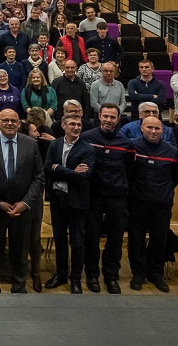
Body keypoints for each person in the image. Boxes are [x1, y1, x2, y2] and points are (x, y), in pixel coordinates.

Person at [0, 108, 45, 293]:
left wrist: (25, 203)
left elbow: (39, 178)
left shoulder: (31, 144)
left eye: (13, 120)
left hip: (22, 210)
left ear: (19, 123)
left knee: (20, 254)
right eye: (5, 120)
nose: (9, 123)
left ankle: (19, 287)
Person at [81, 104, 134, 294]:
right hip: (93, 196)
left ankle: (111, 276)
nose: (109, 120)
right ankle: (92, 275)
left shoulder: (126, 143)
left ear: (118, 119)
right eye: (106, 116)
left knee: (115, 238)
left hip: (117, 197)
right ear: (99, 116)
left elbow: (129, 170)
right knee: (92, 237)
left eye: (113, 117)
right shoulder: (87, 138)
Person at [125, 116, 178, 293]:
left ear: (162, 130)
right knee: (136, 240)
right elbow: (127, 172)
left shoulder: (171, 151)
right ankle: (138, 274)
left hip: (162, 204)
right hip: (137, 202)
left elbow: (176, 177)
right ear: (142, 128)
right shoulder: (132, 147)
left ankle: (156, 274)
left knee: (160, 240)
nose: (153, 131)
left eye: (157, 128)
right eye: (149, 127)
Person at [44, 114, 95, 294]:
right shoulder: (55, 144)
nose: (76, 127)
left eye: (79, 124)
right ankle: (61, 274)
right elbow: (48, 168)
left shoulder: (87, 149)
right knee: (59, 240)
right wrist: (70, 171)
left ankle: (75, 279)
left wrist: (60, 169)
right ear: (63, 126)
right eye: (72, 124)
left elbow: (83, 177)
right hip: (58, 199)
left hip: (77, 201)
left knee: (77, 242)